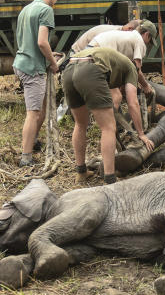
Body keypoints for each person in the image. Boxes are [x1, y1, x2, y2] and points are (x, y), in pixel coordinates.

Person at [63, 47, 154, 185]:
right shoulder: (131, 69)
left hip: (69, 69)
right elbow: (133, 102)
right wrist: (141, 133)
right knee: (108, 128)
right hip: (89, 69)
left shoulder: (115, 63)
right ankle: (110, 179)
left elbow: (115, 94)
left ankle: (81, 172)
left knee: (80, 124)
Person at [13, 0, 62, 167]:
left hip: (22, 61)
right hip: (33, 68)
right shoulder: (46, 10)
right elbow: (42, 42)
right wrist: (52, 62)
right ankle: (26, 157)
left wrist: (49, 55)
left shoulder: (26, 9)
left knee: (39, 108)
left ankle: (32, 141)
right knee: (33, 113)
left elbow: (29, 40)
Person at [88, 19, 158, 98]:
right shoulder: (139, 41)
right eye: (150, 40)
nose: (147, 43)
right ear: (147, 34)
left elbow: (125, 68)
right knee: (115, 96)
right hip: (99, 55)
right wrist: (145, 86)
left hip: (89, 51)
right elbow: (136, 70)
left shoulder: (128, 36)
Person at [70, 20, 140, 54]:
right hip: (78, 54)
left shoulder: (120, 31)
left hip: (87, 54)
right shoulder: (110, 33)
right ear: (130, 28)